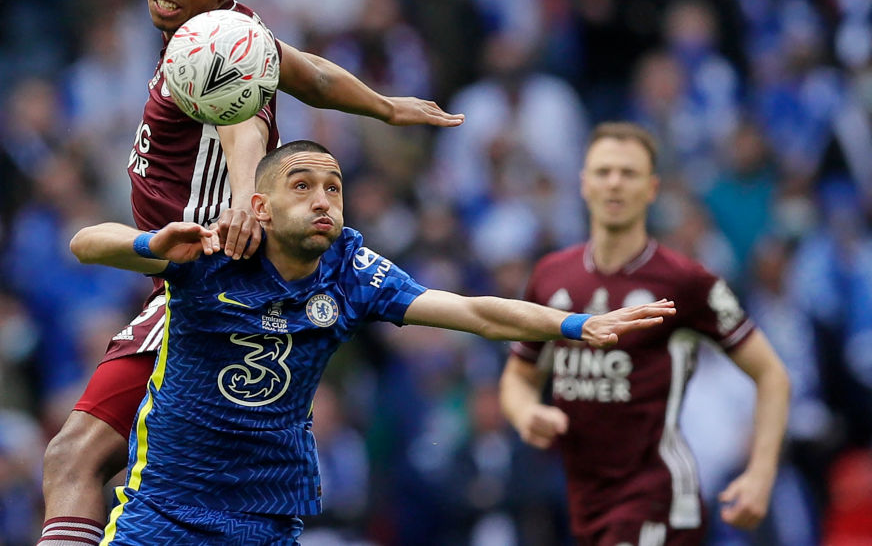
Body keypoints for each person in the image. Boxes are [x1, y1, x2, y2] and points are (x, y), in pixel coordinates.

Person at [37, 0, 465, 546]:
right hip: (198, 278)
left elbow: (241, 126)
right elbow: (311, 75)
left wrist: (243, 198)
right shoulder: (237, 31)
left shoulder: (217, 46)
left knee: (78, 455)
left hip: (206, 276)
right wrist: (384, 106)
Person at [67, 140, 677, 544]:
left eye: (332, 187)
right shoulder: (210, 253)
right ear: (261, 206)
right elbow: (86, 244)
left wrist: (573, 326)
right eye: (301, 187)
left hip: (265, 514)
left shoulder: (353, 272)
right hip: (166, 507)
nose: (322, 200)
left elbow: (471, 311)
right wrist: (150, 244)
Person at [498, 122, 791, 546]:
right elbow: (519, 375)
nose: (614, 183)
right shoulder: (550, 276)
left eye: (629, 173)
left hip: (659, 496)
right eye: (603, 171)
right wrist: (526, 412)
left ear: (652, 188)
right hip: (587, 500)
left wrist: (761, 475)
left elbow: (772, 375)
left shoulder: (686, 281)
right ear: (583, 184)